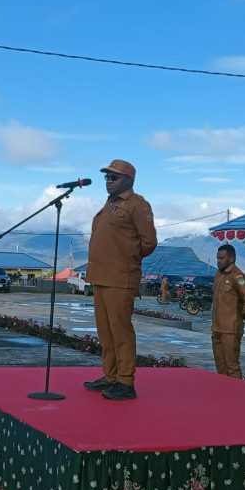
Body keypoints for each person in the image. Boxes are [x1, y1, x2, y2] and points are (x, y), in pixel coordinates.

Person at [83, 159, 157, 400]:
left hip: (120, 277)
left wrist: (126, 259)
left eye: (114, 177)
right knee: (105, 332)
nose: (108, 181)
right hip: (101, 277)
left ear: (128, 180)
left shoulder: (137, 204)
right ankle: (111, 375)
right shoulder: (108, 206)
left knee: (121, 331)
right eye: (106, 177)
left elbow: (149, 242)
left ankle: (126, 382)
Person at [211, 244, 245, 379]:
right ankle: (223, 395)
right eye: (217, 258)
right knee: (220, 366)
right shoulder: (219, 275)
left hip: (230, 330)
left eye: (222, 258)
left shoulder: (238, 276)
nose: (218, 261)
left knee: (232, 367)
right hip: (217, 328)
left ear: (231, 258)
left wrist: (239, 315)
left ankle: (236, 396)